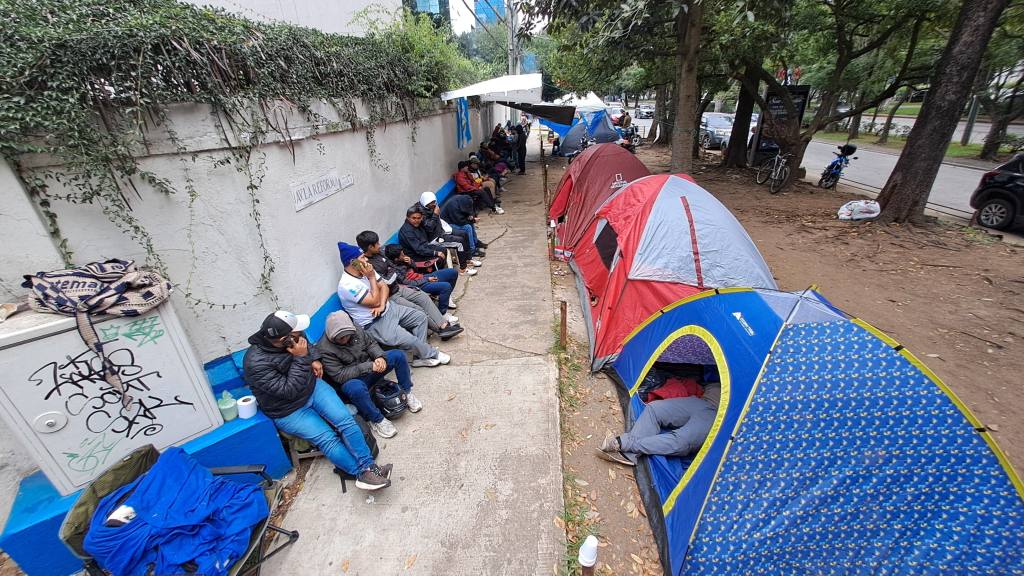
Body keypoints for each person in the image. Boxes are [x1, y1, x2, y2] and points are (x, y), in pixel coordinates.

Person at [243, 310, 392, 491]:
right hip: (289, 409)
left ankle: (369, 467)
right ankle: (361, 473)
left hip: (312, 387)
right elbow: (288, 391)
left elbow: (309, 347)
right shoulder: (254, 362)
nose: (300, 334)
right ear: (285, 340)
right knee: (327, 438)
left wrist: (314, 359)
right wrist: (300, 358)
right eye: (296, 333)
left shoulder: (294, 336)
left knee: (345, 420)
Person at [336, 241, 450, 367]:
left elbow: (385, 287)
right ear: (353, 262)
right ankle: (433, 354)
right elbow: (374, 301)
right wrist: (372, 278)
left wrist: (382, 305)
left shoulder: (365, 270)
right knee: (409, 339)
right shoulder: (347, 285)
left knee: (420, 317)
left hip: (388, 308)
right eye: (362, 257)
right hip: (374, 323)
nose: (366, 259)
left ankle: (420, 357)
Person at [317, 310, 422, 439]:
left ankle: (407, 391)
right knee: (355, 388)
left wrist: (379, 356)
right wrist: (369, 366)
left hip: (371, 368)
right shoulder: (324, 349)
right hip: (352, 380)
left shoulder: (355, 329)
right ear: (332, 335)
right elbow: (340, 375)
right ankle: (377, 420)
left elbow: (371, 344)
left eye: (348, 336)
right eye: (341, 338)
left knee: (398, 355)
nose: (345, 340)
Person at [356, 230, 462, 336]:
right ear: (370, 247)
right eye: (377, 244)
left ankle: (444, 325)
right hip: (390, 296)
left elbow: (393, 269)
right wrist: (392, 271)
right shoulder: (367, 264)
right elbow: (388, 281)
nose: (380, 245)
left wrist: (393, 269)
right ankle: (441, 330)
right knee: (418, 309)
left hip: (399, 287)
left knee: (423, 297)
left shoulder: (379, 253)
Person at [596, 381, 721, 466]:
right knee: (654, 409)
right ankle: (629, 455)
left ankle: (623, 443)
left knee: (682, 441)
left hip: (719, 414)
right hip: (702, 401)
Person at [400, 206, 478, 277]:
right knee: (440, 254)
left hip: (425, 246)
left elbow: (429, 228)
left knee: (443, 250)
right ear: (407, 218)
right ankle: (438, 276)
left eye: (418, 218)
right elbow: (418, 249)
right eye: (413, 218)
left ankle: (445, 272)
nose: (416, 220)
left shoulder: (417, 224)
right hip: (416, 256)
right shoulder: (407, 231)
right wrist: (435, 252)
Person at [417, 191, 481, 267]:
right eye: (431, 202)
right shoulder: (420, 213)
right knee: (460, 242)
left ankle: (468, 259)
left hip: (441, 230)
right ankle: (463, 268)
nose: (434, 204)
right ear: (425, 202)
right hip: (434, 238)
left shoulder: (429, 208)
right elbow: (429, 228)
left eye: (434, 201)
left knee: (464, 234)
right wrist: (435, 215)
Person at [439, 193, 485, 257]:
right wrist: (473, 220)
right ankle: (472, 251)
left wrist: (471, 216)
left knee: (470, 223)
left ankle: (475, 242)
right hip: (447, 224)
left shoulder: (462, 200)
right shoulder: (453, 205)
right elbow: (460, 222)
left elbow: (469, 211)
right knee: (467, 227)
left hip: (454, 220)